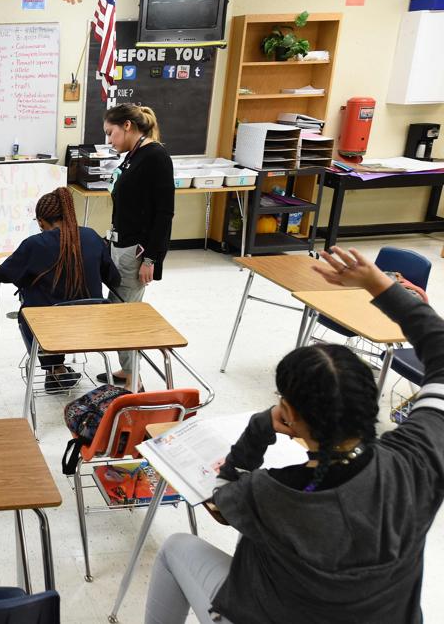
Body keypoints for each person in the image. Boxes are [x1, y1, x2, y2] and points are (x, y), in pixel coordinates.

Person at [145, 246, 444, 624]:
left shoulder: (271, 494)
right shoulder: (417, 462)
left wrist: (259, 427)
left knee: (175, 549)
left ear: (290, 416)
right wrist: (376, 282)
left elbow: (222, 491)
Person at [0, 187, 120, 392]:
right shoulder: (91, 237)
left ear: (41, 221)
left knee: (35, 305)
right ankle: (57, 371)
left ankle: (55, 368)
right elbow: (114, 278)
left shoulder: (35, 244)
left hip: (48, 330)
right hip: (91, 326)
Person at [102, 103, 174, 385]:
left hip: (137, 251)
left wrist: (152, 259)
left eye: (111, 133)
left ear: (127, 126)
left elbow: (164, 213)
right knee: (119, 310)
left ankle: (135, 381)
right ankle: (127, 369)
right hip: (120, 245)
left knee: (123, 316)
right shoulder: (133, 156)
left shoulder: (155, 156)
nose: (109, 140)